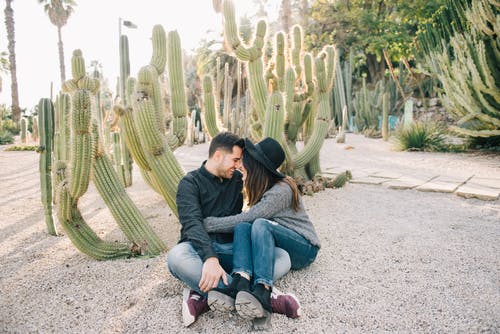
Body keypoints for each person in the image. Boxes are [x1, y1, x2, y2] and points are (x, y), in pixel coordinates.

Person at [167, 132, 299, 327]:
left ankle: (208, 293)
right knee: (176, 257)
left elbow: (242, 219)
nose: (238, 165)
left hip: (233, 252)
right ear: (218, 155)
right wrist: (210, 259)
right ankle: (258, 295)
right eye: (235, 159)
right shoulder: (190, 183)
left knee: (282, 257)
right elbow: (192, 224)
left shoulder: (237, 180)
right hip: (199, 250)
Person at [203, 137, 321, 320]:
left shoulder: (281, 190)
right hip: (282, 239)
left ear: (256, 168)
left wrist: (209, 223)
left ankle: (263, 290)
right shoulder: (268, 186)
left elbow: (252, 217)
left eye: (244, 166)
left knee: (257, 223)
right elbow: (245, 221)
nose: (241, 170)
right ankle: (241, 281)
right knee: (243, 226)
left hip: (305, 248)